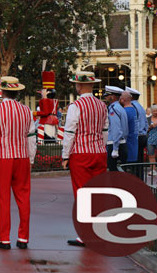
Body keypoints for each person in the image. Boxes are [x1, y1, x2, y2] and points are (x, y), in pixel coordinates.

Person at [0, 76, 36, 250]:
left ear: (2, 91)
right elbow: (31, 138)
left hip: (2, 157)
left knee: (4, 198)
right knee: (23, 198)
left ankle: (4, 238)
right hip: (21, 156)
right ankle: (23, 237)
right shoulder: (26, 111)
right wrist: (31, 158)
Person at [61, 72, 108, 247]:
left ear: (79, 86)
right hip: (99, 152)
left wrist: (66, 155)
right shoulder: (102, 105)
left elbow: (70, 132)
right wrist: (100, 147)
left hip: (81, 153)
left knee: (82, 193)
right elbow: (105, 131)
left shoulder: (76, 106)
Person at [104, 86, 128, 171]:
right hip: (121, 143)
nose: (106, 98)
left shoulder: (113, 109)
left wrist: (115, 148)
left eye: (107, 95)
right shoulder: (120, 108)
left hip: (115, 143)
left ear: (112, 97)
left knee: (114, 174)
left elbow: (116, 129)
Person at [126, 87, 148, 164]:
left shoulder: (132, 106)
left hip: (136, 136)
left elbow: (134, 122)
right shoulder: (140, 106)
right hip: (142, 135)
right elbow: (145, 122)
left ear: (131, 96)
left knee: (133, 161)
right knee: (140, 160)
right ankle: (139, 175)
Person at [120, 91, 138, 164]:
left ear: (122, 100)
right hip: (134, 143)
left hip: (127, 145)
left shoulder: (125, 111)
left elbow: (123, 129)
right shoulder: (134, 109)